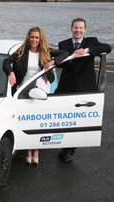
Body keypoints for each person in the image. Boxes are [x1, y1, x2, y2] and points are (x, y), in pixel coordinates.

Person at [3, 27, 68, 165]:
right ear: (29, 38)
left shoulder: (46, 51)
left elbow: (66, 53)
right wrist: (12, 73)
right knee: (27, 119)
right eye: (32, 37)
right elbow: (6, 61)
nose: (34, 40)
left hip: (42, 88)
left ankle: (36, 149)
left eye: (37, 37)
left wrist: (53, 62)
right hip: (24, 88)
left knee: (38, 120)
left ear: (40, 39)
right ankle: (28, 150)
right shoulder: (22, 51)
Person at [56, 18, 112, 163]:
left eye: (81, 28)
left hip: (84, 89)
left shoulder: (92, 42)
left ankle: (69, 151)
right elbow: (60, 65)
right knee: (65, 119)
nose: (78, 30)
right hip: (66, 88)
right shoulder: (63, 44)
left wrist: (88, 50)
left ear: (85, 30)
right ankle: (64, 147)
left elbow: (108, 48)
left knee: (78, 121)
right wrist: (69, 56)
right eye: (75, 28)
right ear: (71, 29)